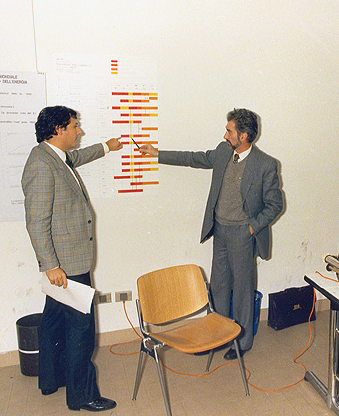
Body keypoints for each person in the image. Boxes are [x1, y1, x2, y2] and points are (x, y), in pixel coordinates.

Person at [139, 108, 283, 360]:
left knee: (242, 290)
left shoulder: (265, 164)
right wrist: (156, 153)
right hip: (220, 230)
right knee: (218, 286)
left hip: (243, 234)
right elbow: (193, 158)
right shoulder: (223, 152)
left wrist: (251, 228)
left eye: (229, 131)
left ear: (243, 136)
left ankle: (242, 342)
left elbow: (275, 205)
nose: (225, 135)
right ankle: (217, 335)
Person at [22, 106, 122, 412]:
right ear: (58, 130)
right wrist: (51, 265)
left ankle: (51, 379)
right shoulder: (42, 165)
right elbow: (36, 222)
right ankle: (83, 396)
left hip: (66, 261)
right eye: (74, 126)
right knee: (81, 332)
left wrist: (107, 147)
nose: (79, 131)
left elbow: (76, 158)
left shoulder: (53, 156)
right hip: (66, 264)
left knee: (53, 322)